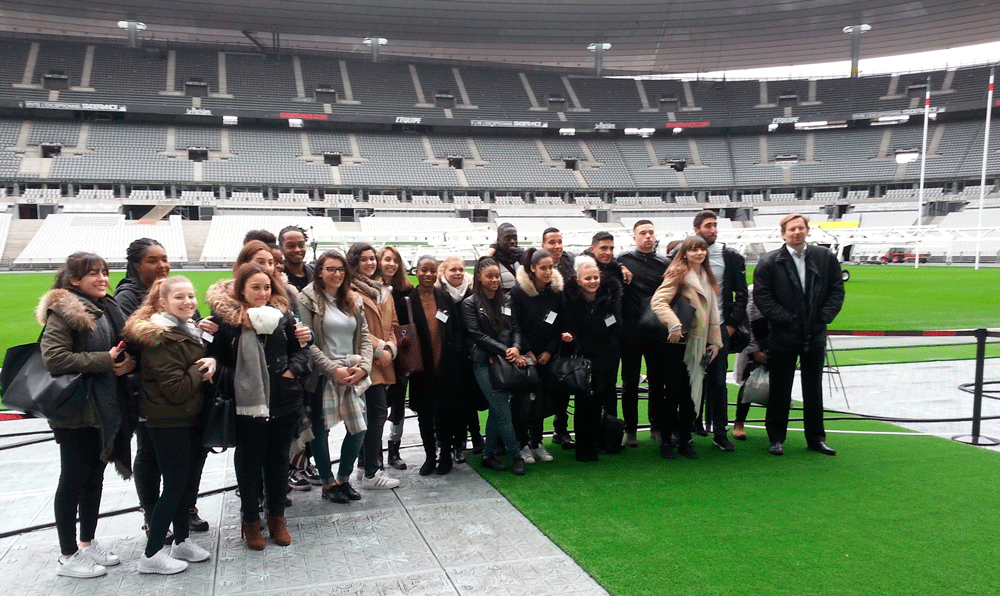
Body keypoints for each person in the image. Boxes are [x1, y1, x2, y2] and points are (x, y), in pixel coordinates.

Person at [38, 252, 136, 578]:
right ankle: (67, 556)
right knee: (73, 479)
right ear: (74, 280)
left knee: (94, 477)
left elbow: (121, 348)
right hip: (76, 409)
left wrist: (124, 362)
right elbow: (54, 358)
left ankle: (87, 542)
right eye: (93, 273)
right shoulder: (64, 310)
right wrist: (105, 360)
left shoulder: (105, 306)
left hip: (101, 406)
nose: (102, 279)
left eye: (105, 272)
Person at [206, 263, 310, 550]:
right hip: (247, 405)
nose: (262, 293)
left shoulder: (284, 318)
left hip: (283, 402)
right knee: (249, 465)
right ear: (241, 290)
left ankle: (277, 518)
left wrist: (291, 372)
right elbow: (216, 361)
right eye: (255, 287)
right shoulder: (226, 322)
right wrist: (241, 378)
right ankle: (250, 520)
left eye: (266, 287)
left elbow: (301, 353)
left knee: (278, 463)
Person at [116, 238, 214, 542]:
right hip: (154, 394)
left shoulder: (174, 293)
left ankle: (184, 509)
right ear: (136, 265)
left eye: (164, 258)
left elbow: (190, 331)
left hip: (183, 396)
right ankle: (153, 515)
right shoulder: (129, 297)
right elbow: (131, 341)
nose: (161, 265)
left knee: (187, 459)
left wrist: (202, 331)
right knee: (151, 456)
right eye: (152, 260)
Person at [753, 214, 845, 456]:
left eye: (800, 228)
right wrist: (786, 320)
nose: (796, 232)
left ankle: (816, 437)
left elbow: (837, 289)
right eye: (791, 229)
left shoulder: (824, 258)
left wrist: (822, 317)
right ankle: (775, 438)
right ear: (783, 233)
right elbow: (763, 297)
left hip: (814, 334)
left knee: (813, 387)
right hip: (783, 335)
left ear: (807, 231)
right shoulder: (769, 262)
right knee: (780, 388)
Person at [297, 250, 374, 505]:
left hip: (352, 371)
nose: (337, 274)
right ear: (319, 271)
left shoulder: (352, 299)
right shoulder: (307, 299)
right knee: (320, 430)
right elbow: (307, 343)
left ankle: (343, 478)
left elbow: (364, 336)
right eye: (331, 269)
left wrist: (363, 367)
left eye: (341, 269)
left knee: (359, 427)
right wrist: (332, 369)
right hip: (323, 374)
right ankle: (328, 482)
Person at [673, 210, 749, 452]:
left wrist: (731, 325)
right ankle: (685, 431)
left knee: (718, 382)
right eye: (708, 225)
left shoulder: (731, 256)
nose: (713, 229)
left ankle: (720, 432)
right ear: (696, 229)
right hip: (690, 332)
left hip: (719, 330)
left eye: (715, 225)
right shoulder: (681, 255)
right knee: (687, 381)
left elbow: (741, 294)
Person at [651, 236, 722, 460]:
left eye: (702, 249)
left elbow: (713, 315)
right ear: (685, 253)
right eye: (694, 250)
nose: (700, 253)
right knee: (674, 394)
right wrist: (674, 324)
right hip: (677, 345)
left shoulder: (707, 276)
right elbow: (658, 301)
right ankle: (665, 441)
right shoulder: (677, 273)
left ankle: (685, 440)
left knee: (692, 395)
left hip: (699, 344)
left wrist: (715, 342)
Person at [462, 256, 529, 475]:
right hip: (483, 362)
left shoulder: (506, 301)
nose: (494, 280)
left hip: (505, 362)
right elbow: (476, 335)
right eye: (489, 276)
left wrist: (516, 347)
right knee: (503, 410)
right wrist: (506, 350)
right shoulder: (470, 304)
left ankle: (488, 455)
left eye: (497, 276)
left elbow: (517, 328)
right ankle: (516, 456)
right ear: (479, 278)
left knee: (497, 409)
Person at [401, 255, 464, 475]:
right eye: (423, 270)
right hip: (422, 368)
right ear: (416, 272)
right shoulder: (408, 302)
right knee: (425, 415)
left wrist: (453, 350)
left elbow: (457, 329)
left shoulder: (444, 297)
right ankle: (429, 457)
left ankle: (445, 455)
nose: (428, 274)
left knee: (446, 414)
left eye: (432, 270)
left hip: (446, 365)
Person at [346, 243, 401, 490]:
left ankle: (364, 467)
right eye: (364, 259)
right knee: (375, 414)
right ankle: (371, 472)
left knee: (373, 414)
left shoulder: (382, 291)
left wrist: (391, 347)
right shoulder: (349, 291)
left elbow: (393, 323)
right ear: (355, 262)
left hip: (382, 360)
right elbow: (357, 328)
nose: (370, 263)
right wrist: (381, 349)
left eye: (372, 259)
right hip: (364, 361)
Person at [561, 255, 623, 462]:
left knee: (597, 402)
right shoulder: (571, 302)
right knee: (582, 404)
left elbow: (616, 328)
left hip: (603, 360)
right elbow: (570, 329)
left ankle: (593, 445)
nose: (592, 282)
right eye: (587, 279)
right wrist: (571, 339)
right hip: (581, 362)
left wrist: (610, 350)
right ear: (579, 281)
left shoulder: (609, 300)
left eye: (595, 277)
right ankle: (582, 447)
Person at [510, 248, 565, 463]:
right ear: (532, 269)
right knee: (523, 400)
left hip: (546, 357)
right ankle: (521, 443)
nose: (548, 272)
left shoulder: (555, 293)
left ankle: (537, 442)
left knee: (542, 400)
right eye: (543, 268)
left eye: (551, 267)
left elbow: (558, 324)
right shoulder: (518, 292)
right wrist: (528, 350)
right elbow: (515, 324)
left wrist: (549, 351)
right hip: (525, 356)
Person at [617, 220, 669, 448]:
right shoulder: (623, 259)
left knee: (657, 380)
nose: (648, 236)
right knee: (630, 382)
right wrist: (619, 268)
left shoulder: (664, 263)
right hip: (631, 329)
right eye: (643, 233)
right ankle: (630, 430)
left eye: (651, 232)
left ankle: (656, 426)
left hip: (657, 329)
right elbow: (597, 262)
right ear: (634, 237)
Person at [435, 256, 486, 461]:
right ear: (444, 273)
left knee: (470, 398)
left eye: (461, 269)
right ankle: (455, 442)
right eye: (453, 270)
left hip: (470, 353)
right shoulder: (439, 294)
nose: (457, 273)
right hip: (447, 356)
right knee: (450, 402)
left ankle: (474, 437)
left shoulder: (472, 293)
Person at [377, 245, 413, 471]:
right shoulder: (370, 289)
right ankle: (371, 453)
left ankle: (394, 449)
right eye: (386, 259)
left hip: (401, 351)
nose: (391, 264)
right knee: (377, 406)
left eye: (395, 260)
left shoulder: (406, 290)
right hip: (377, 353)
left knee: (398, 404)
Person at [732, 284, 768, 440]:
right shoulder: (753, 291)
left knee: (779, 385)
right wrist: (753, 349)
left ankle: (773, 426)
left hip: (777, 339)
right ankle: (739, 422)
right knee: (748, 381)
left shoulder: (784, 288)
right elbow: (747, 320)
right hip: (755, 340)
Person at [487, 223, 524, 292]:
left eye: (515, 238)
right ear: (498, 240)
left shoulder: (522, 257)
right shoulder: (491, 261)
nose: (512, 241)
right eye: (507, 238)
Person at [279, 225, 313, 292]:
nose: (297, 250)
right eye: (291, 246)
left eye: (301, 245)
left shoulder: (316, 273)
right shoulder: (277, 277)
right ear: (281, 248)